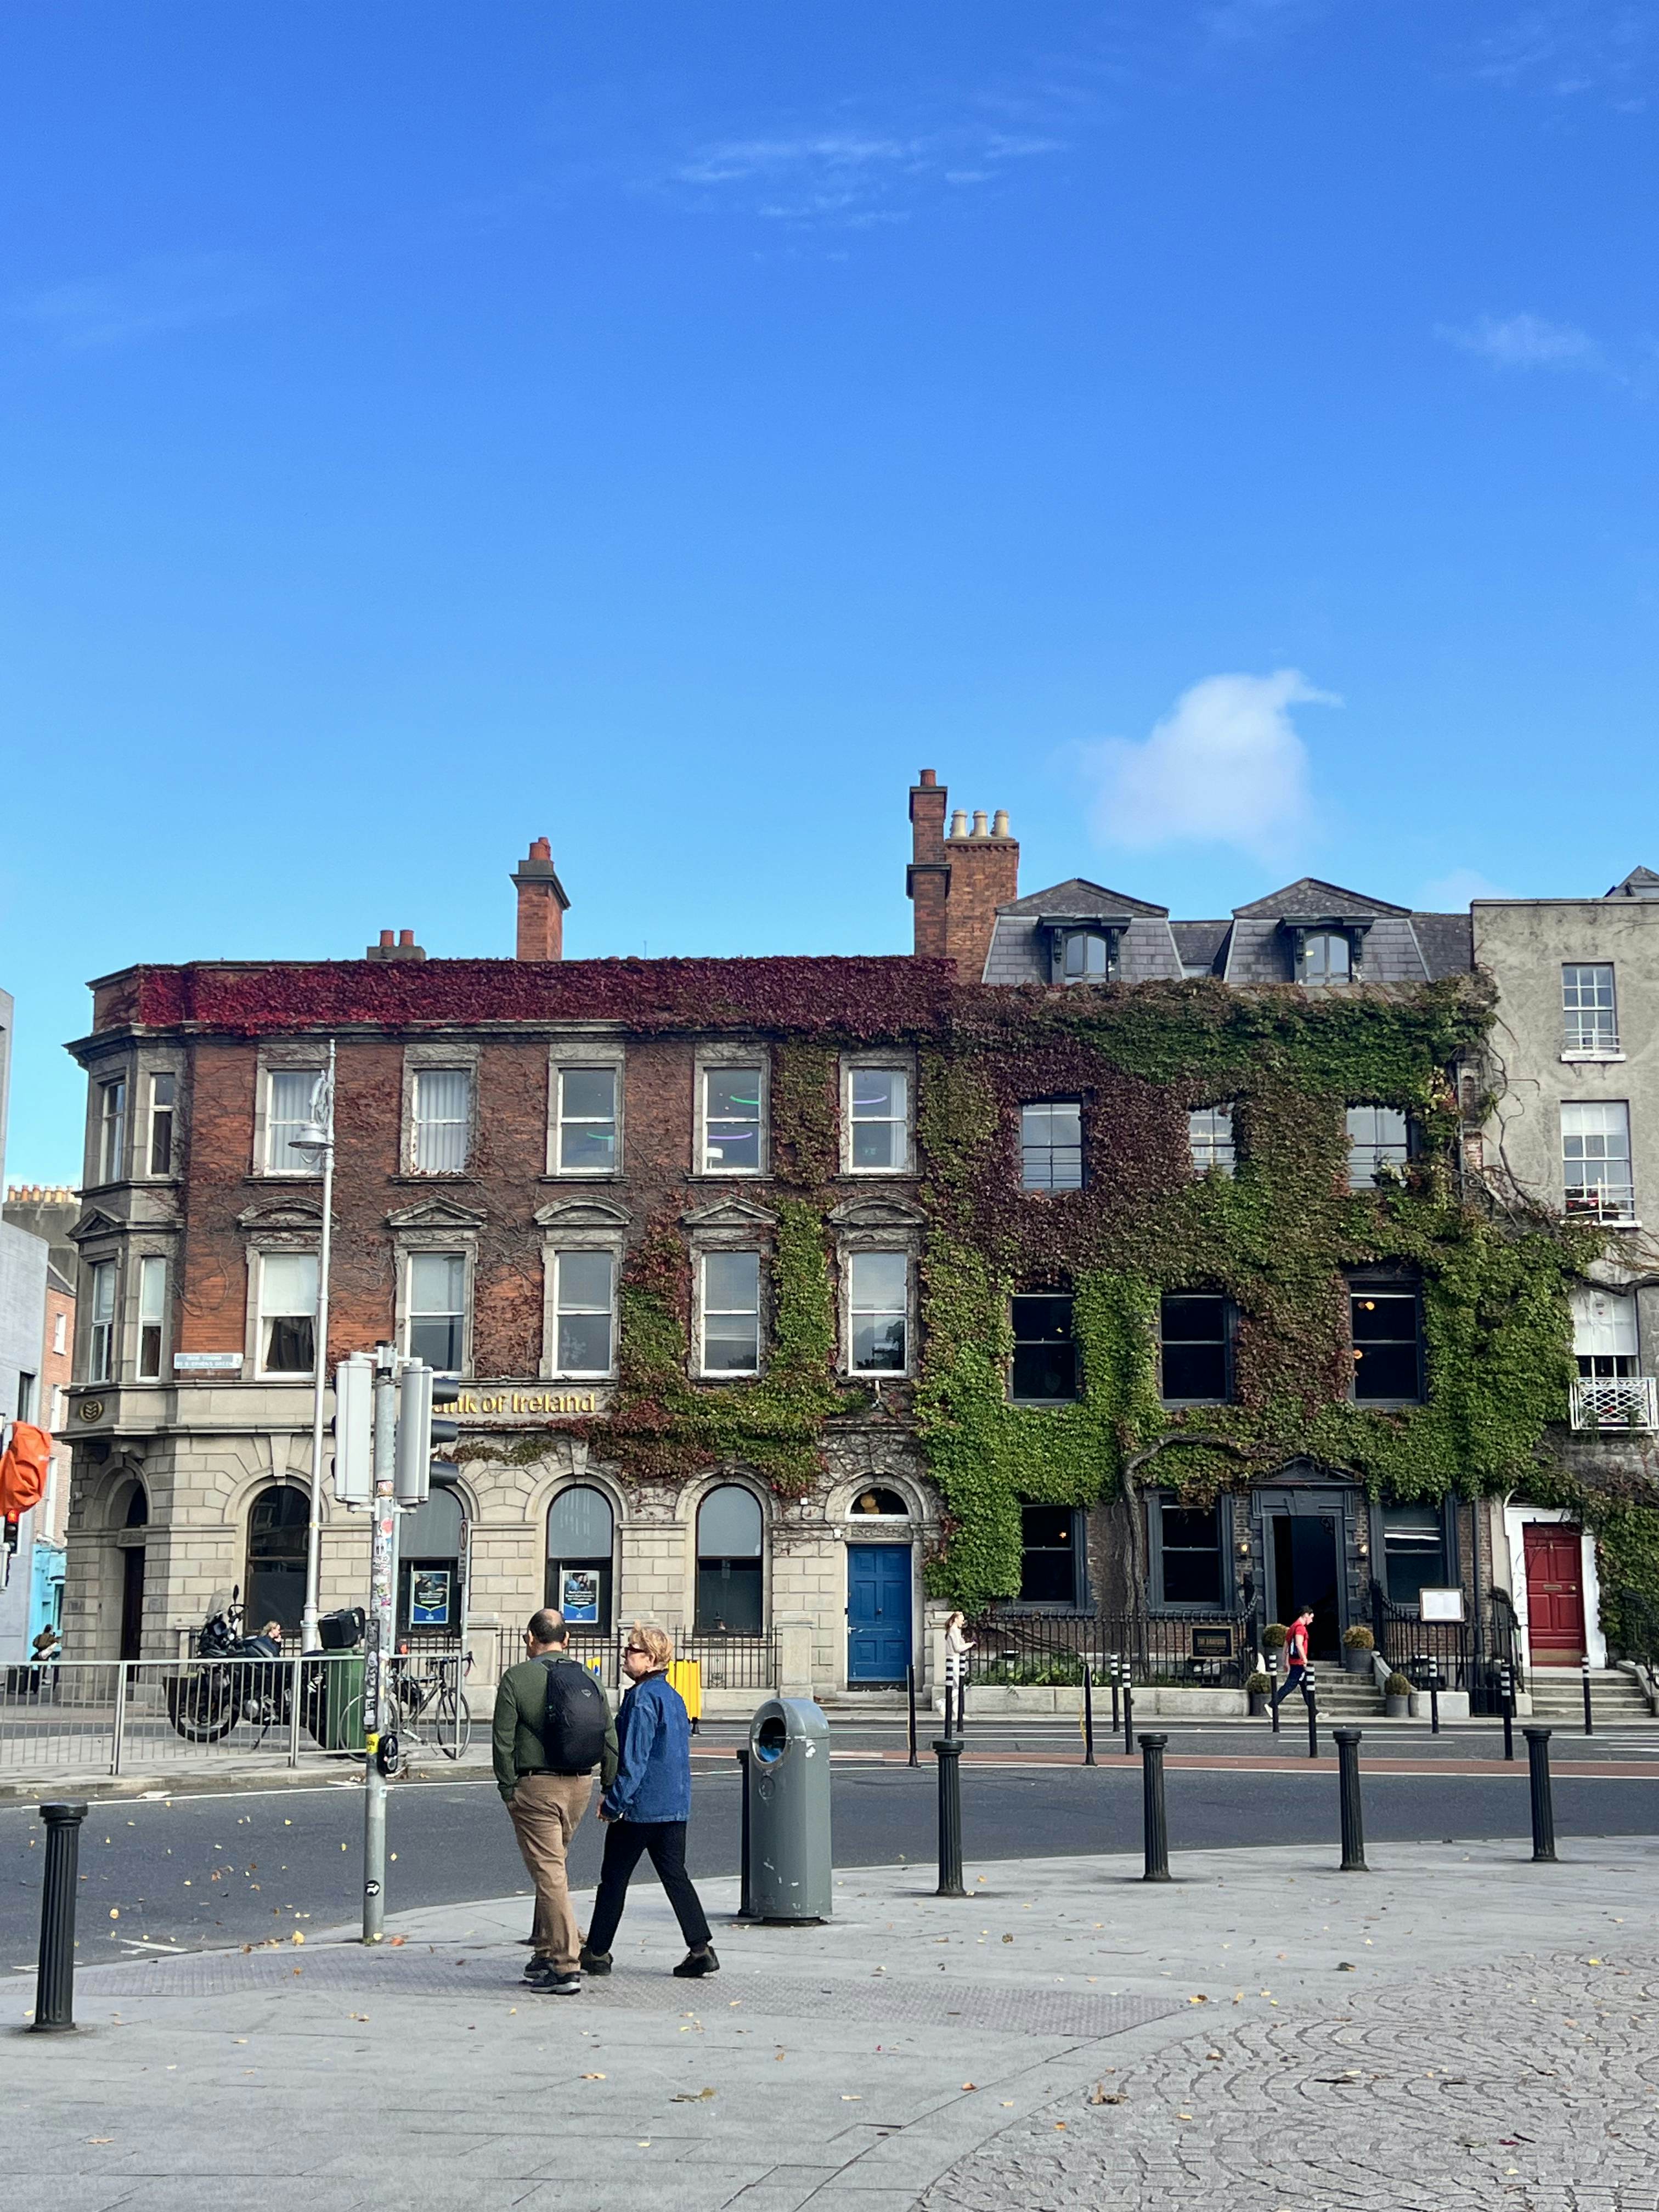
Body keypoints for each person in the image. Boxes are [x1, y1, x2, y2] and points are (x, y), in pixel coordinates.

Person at [579, 1623, 718, 1981]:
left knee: (614, 1878)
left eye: (632, 1651)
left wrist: (613, 1803)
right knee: (675, 1875)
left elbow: (635, 1758)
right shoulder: (674, 1697)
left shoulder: (640, 1699)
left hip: (641, 1809)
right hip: (675, 1804)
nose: (625, 1655)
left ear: (651, 1659)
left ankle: (596, 1951)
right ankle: (700, 1948)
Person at [493, 1607, 619, 1995]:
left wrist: (508, 1789)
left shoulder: (516, 1678)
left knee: (549, 1873)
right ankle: (548, 1950)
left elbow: (503, 1742)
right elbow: (610, 1739)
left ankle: (566, 1965)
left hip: (537, 1788)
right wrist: (608, 1786)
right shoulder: (590, 1680)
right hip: (580, 1786)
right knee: (553, 1867)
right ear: (567, 1640)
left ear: (531, 1639)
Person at [1269, 1606, 1316, 1714]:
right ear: (1306, 1615)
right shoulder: (1300, 1628)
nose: (1312, 1620)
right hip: (1299, 1663)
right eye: (1311, 1617)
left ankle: (1314, 1712)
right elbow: (1299, 1645)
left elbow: (1286, 1646)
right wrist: (1305, 1660)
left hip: (1294, 1662)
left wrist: (1285, 1662)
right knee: (1290, 1686)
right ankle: (1272, 1704)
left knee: (1306, 1688)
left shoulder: (1292, 1627)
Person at [944, 1611, 975, 1734]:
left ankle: (957, 1714)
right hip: (954, 1659)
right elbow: (958, 1648)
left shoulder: (956, 1630)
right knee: (957, 1686)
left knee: (959, 1685)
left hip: (954, 1659)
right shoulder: (954, 1630)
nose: (963, 1621)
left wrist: (964, 1642)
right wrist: (970, 1645)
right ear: (955, 1619)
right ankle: (943, 1702)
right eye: (961, 1619)